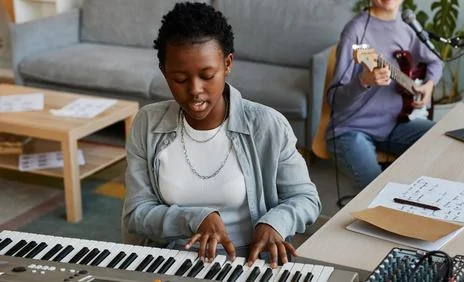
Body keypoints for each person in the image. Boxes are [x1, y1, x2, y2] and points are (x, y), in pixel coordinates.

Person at [121, 2, 320, 268]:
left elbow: (305, 198)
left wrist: (274, 223)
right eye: (180, 79)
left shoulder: (268, 126)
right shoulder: (147, 124)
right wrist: (194, 218)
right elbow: (136, 213)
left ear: (227, 64)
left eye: (207, 75)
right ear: (164, 73)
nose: (195, 90)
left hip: (246, 261)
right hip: (168, 258)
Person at [326, 0, 443, 190]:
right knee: (375, 188)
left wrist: (429, 85)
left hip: (394, 125)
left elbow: (436, 61)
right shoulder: (354, 31)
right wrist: (363, 81)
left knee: (442, 141)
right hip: (351, 129)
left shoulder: (408, 28)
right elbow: (334, 101)